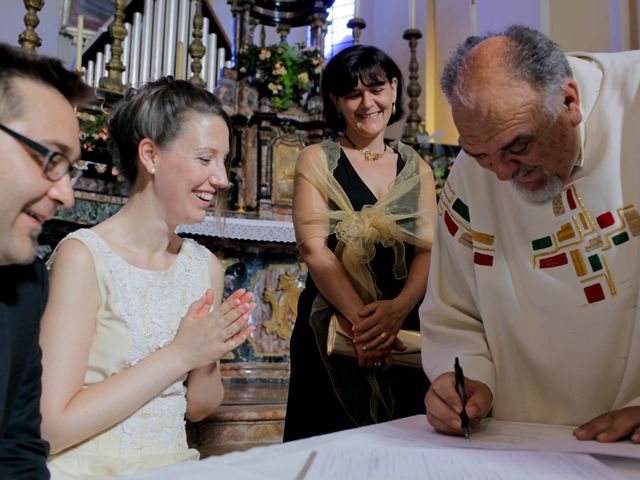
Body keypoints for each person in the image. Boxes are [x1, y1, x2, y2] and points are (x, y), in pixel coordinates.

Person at [421, 24, 640, 443]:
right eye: (482, 155)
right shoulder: (475, 168)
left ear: (570, 101)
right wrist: (465, 378)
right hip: (522, 443)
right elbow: (454, 308)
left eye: (518, 147)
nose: (503, 174)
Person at [40, 78, 256, 478]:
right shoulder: (84, 258)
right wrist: (179, 354)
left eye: (224, 162)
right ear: (151, 155)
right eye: (206, 159)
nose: (223, 178)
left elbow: (200, 406)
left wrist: (207, 353)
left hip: (173, 466)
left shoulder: (203, 266)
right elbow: (51, 428)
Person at [284, 45, 437, 441]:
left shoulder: (416, 166)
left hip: (403, 327)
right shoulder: (316, 159)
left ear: (394, 88)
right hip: (333, 325)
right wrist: (363, 328)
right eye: (353, 94)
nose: (367, 103)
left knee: (404, 446)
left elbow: (427, 250)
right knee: (329, 445)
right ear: (336, 101)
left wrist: (398, 311)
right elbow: (314, 250)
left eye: (376, 89)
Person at [0, 42, 93, 479]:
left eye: (69, 169)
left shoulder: (25, 285)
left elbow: (16, 451)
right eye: (50, 158)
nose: (66, 195)